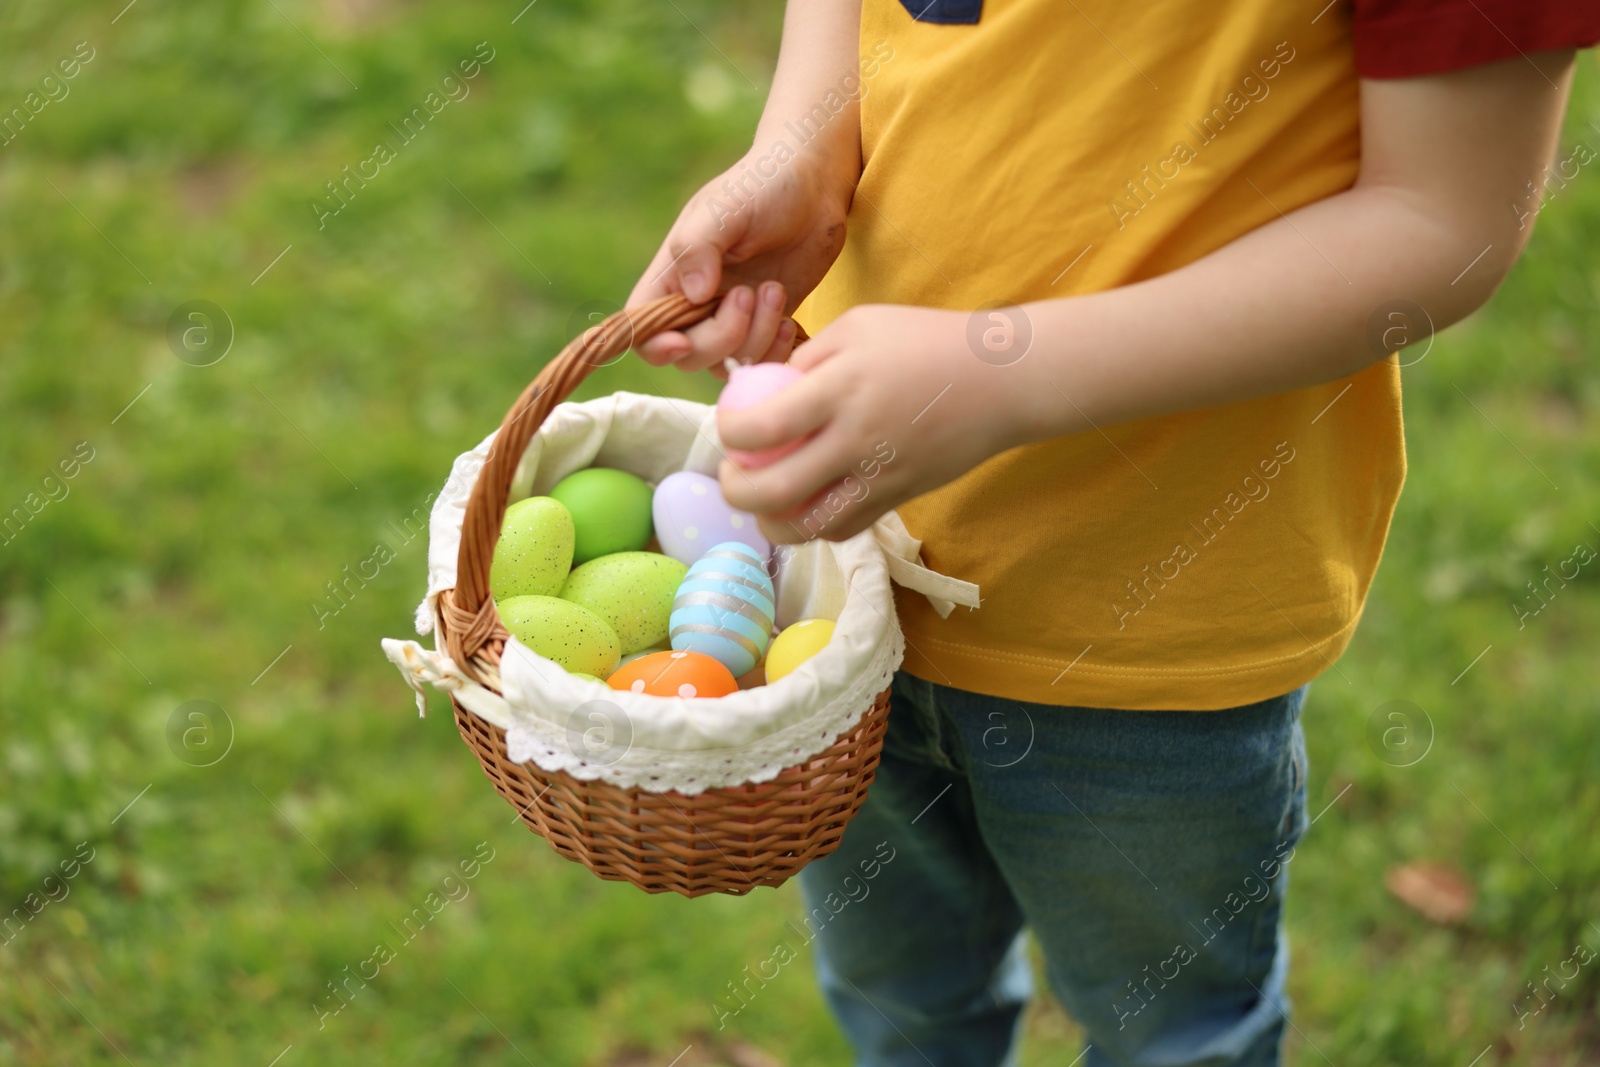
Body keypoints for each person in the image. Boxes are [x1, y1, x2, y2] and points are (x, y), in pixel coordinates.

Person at [627, 2, 1600, 1064]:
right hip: (839, 592)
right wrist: (806, 141)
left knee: (1172, 1036)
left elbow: (1443, 221)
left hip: (1153, 640)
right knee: (902, 998)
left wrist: (996, 374)